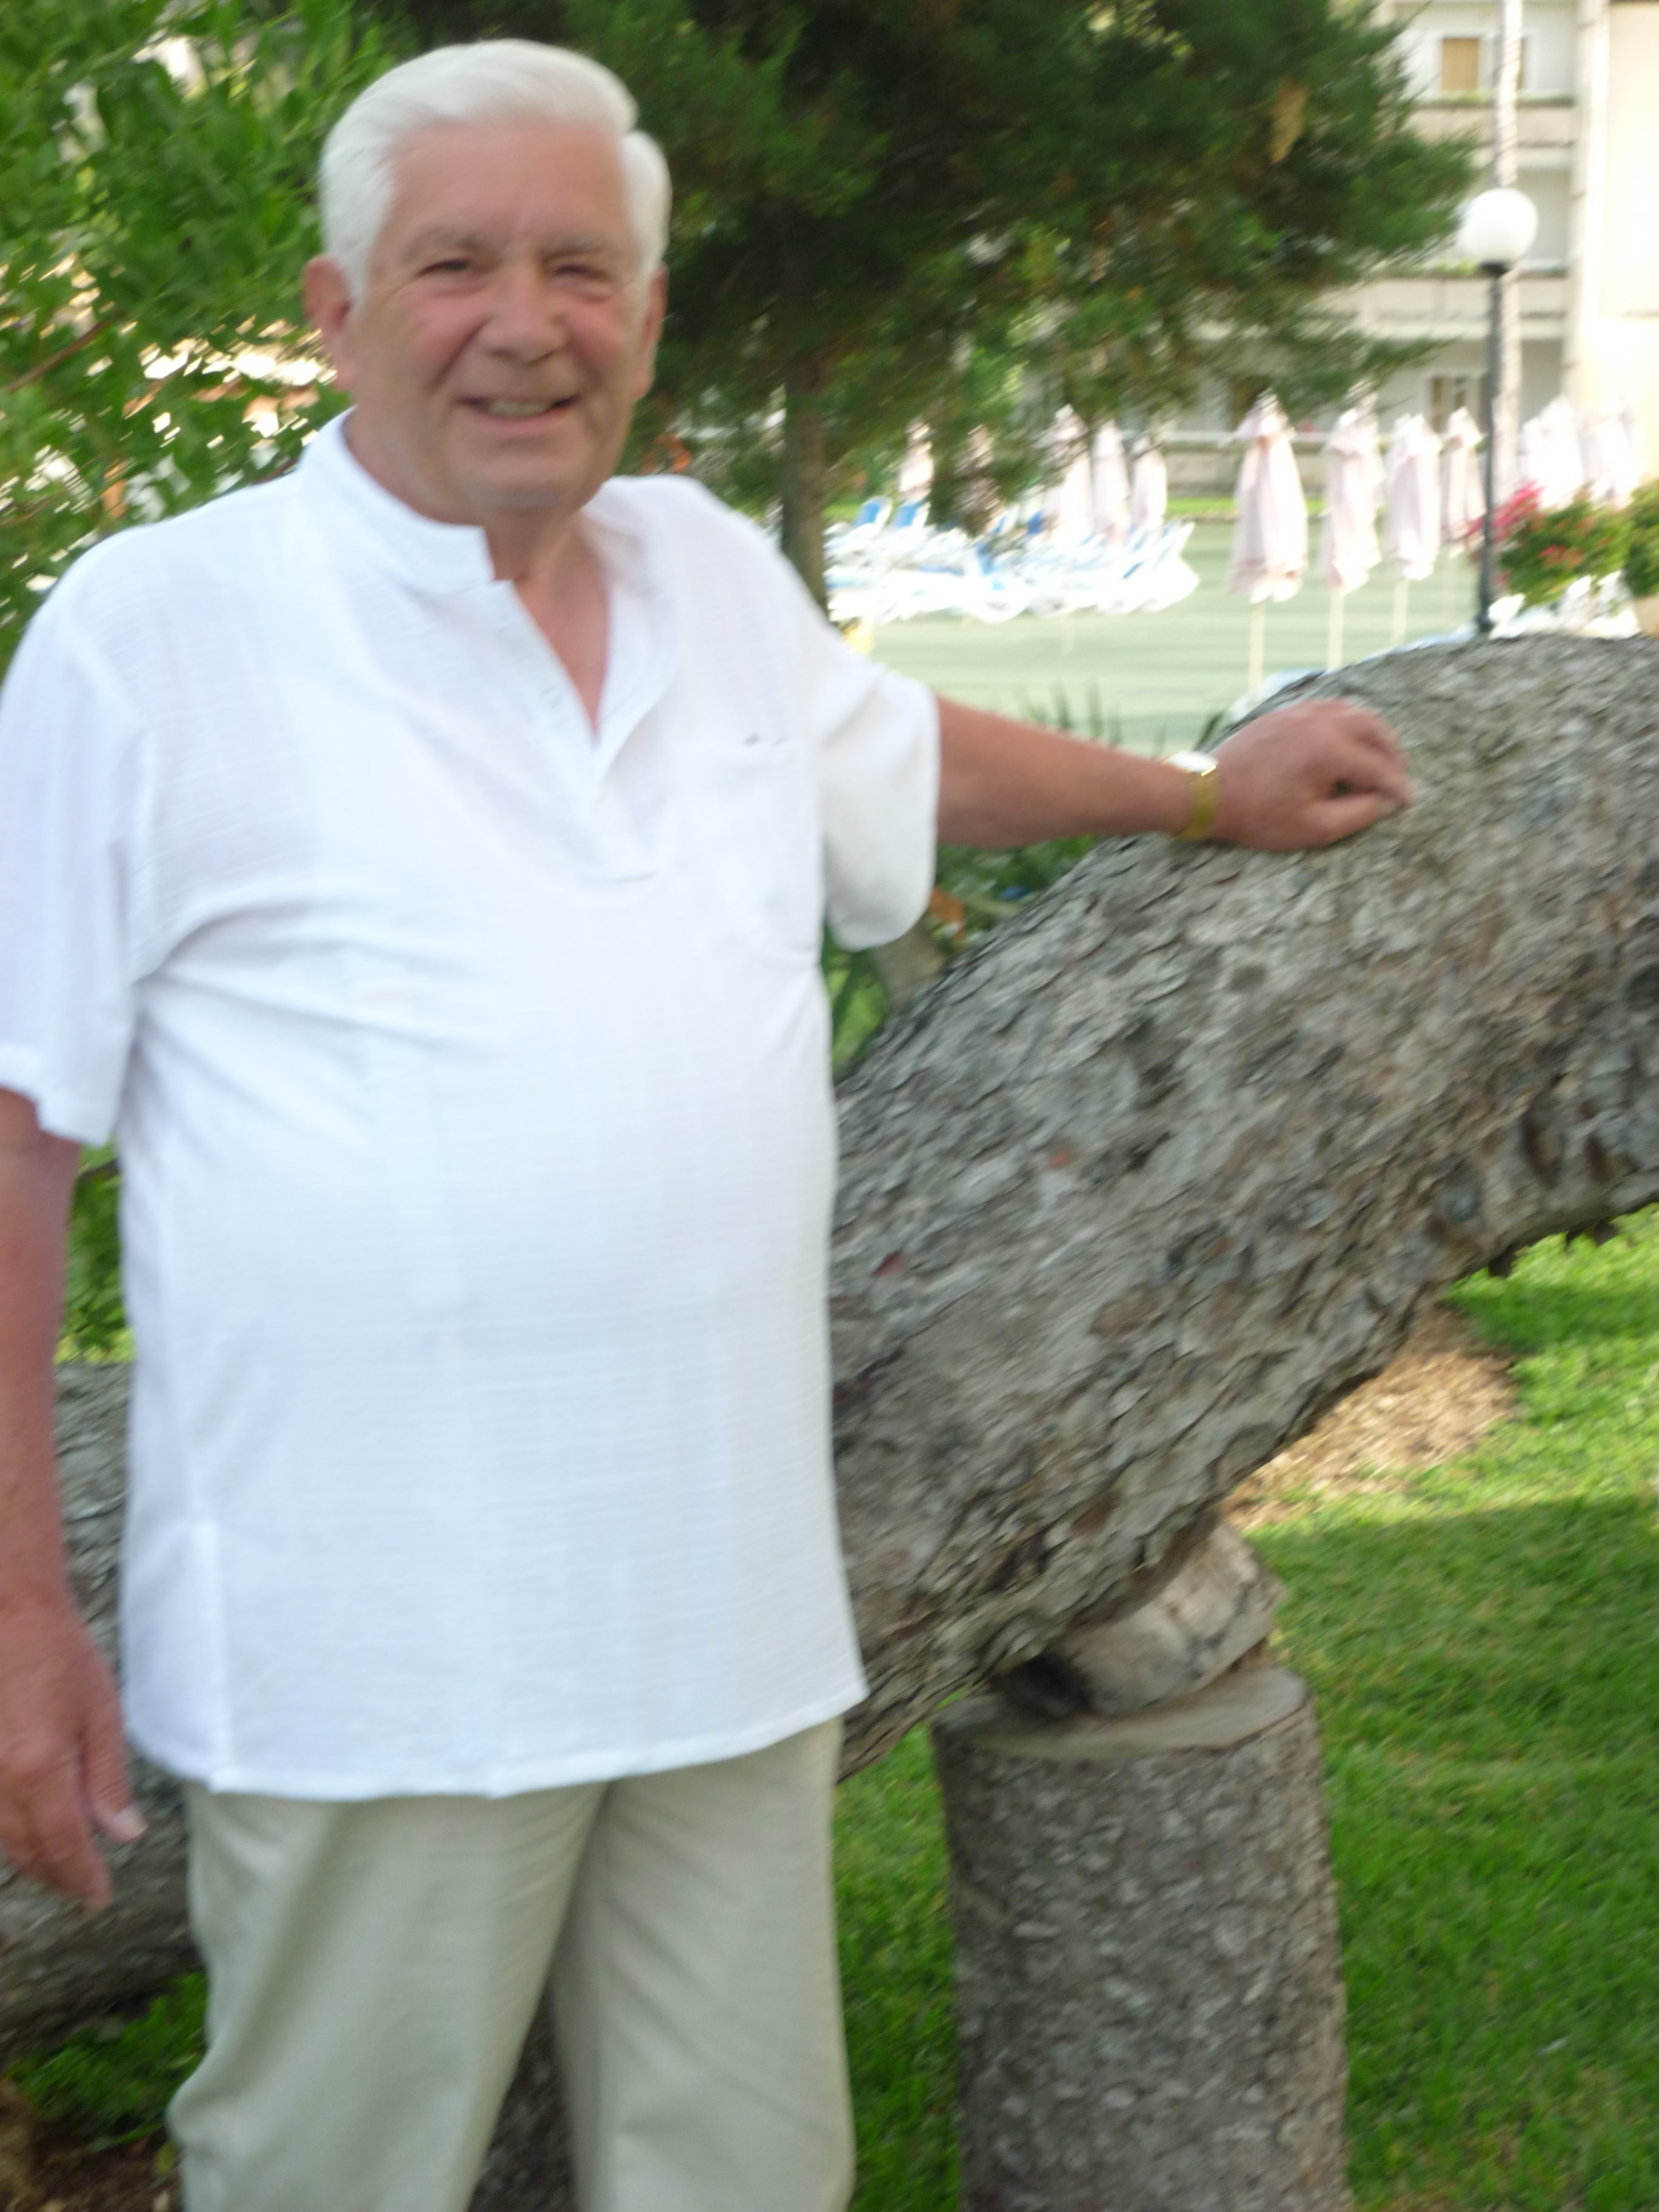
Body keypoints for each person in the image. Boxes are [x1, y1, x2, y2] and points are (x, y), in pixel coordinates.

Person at [0, 39, 1410, 2212]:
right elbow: (20, 1131)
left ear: (649, 319)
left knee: (748, 2175)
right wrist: (20, 1610)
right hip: (370, 1654)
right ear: (335, 312)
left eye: (581, 268)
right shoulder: (153, 636)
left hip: (715, 1619)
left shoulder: (702, 570)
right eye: (455, 265)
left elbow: (884, 748)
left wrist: (1205, 794)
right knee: (326, 2175)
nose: (524, 323)